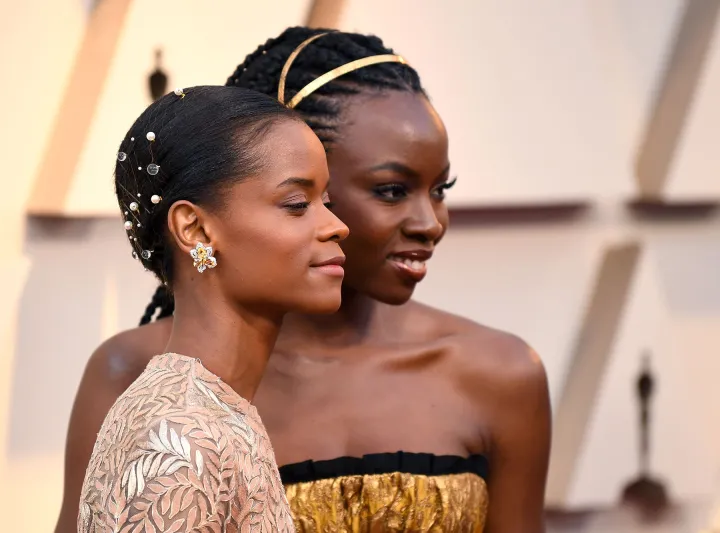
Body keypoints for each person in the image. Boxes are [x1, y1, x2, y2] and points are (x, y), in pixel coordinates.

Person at [58, 28, 551, 533]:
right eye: (390, 189)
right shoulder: (160, 396)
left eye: (441, 188)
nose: (430, 223)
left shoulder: (500, 373)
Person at [76, 85, 348, 533]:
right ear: (196, 229)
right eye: (297, 205)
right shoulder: (178, 437)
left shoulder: (212, 412)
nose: (337, 226)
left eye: (326, 202)